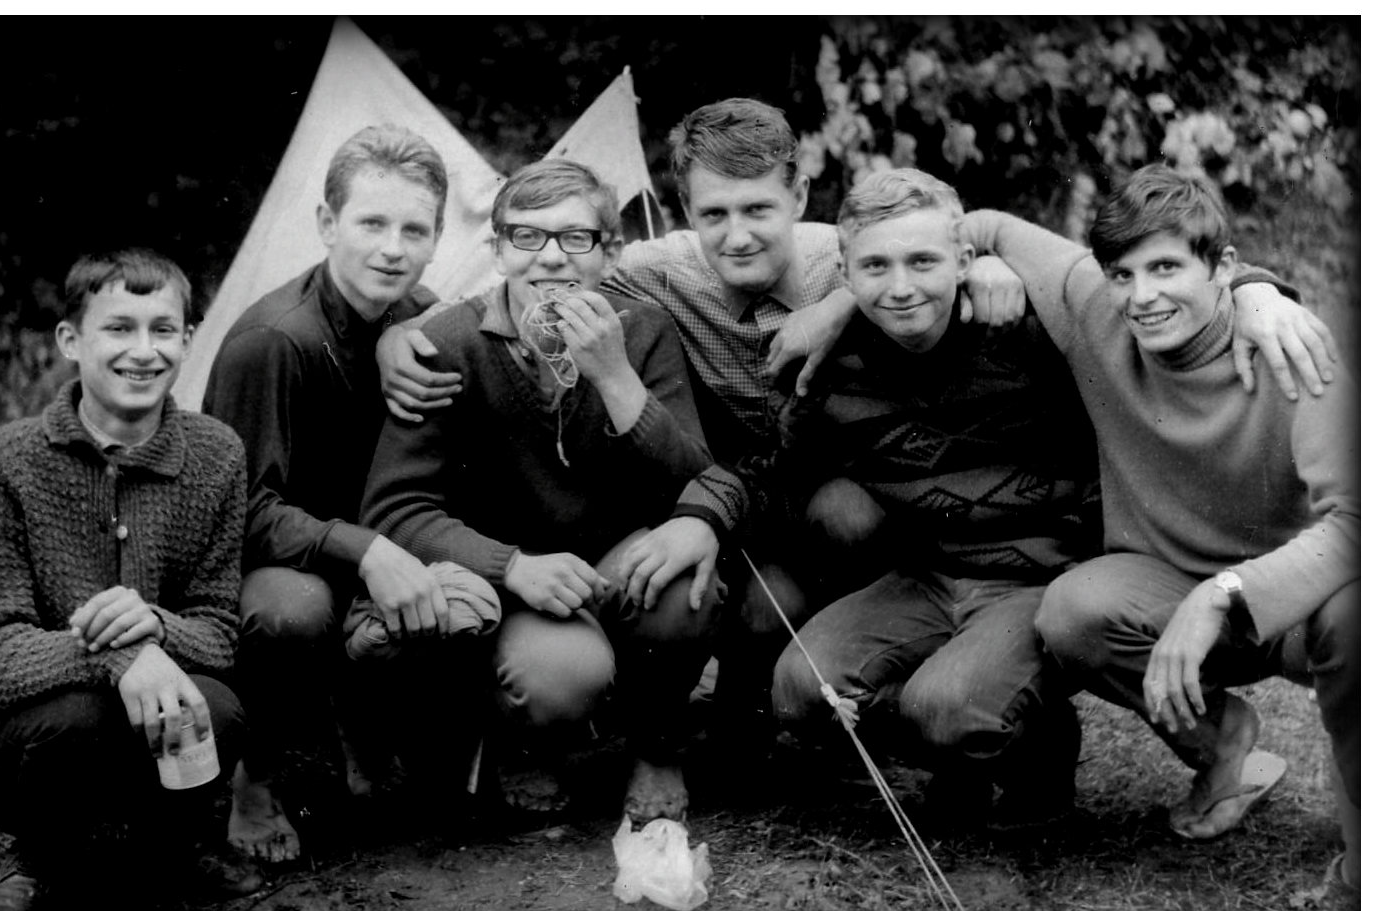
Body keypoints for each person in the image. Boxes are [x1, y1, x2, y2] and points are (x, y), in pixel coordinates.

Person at [375, 98, 1030, 755]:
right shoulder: (653, 275)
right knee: (753, 602)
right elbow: (522, 279)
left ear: (800, 197)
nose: (737, 236)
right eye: (714, 214)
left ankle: (894, 693)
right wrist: (397, 334)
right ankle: (739, 717)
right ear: (687, 210)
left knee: (845, 519)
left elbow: (940, 250)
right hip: (736, 494)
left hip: (846, 496)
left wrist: (855, 297)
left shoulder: (854, 259)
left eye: (758, 210)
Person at [616, 169, 1104, 827]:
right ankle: (957, 736)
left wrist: (1246, 292)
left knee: (948, 711)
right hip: (927, 577)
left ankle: (1034, 744)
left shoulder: (1027, 326)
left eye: (922, 262)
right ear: (844, 273)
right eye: (875, 266)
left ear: (964, 259)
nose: (900, 287)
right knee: (802, 691)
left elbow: (1127, 303)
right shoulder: (834, 364)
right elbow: (774, 469)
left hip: (1036, 579)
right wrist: (700, 518)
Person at [960, 165, 1356, 882]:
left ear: (1223, 268)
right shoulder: (1096, 307)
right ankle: (1223, 747)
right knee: (1075, 609)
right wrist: (974, 266)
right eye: (1123, 273)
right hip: (1167, 595)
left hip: (1293, 605)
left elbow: (1355, 524)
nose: (1142, 297)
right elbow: (982, 224)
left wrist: (1226, 593)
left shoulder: (1292, 346)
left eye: (1167, 267)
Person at [356, 158, 720, 822]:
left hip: (612, 558)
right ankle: (524, 743)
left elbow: (691, 480)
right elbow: (394, 510)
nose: (551, 257)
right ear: (498, 250)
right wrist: (511, 567)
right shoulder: (449, 342)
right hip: (509, 581)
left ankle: (656, 745)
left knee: (682, 590)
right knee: (559, 679)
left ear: (610, 251)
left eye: (576, 237)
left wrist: (615, 377)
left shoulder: (644, 330)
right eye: (526, 236)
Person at [201, 125, 491, 864]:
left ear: (437, 240)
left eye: (414, 230)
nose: (392, 248)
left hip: (380, 542)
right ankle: (256, 778)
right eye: (371, 223)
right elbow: (237, 513)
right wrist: (366, 551)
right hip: (287, 561)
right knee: (291, 611)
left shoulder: (421, 313)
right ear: (328, 224)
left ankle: (369, 724)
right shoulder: (274, 341)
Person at [0, 249, 259, 911]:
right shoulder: (9, 459)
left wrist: (152, 624)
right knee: (76, 719)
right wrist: (124, 656)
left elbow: (218, 631)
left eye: (164, 330)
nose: (143, 351)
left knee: (215, 706)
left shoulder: (216, 454)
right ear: (71, 341)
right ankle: (40, 852)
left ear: (189, 339)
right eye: (119, 328)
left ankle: (174, 838)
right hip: (40, 727)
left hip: (162, 709)